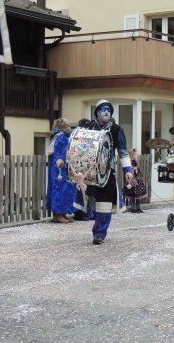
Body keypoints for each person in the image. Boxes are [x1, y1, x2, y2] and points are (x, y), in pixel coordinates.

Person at [84, 99, 134, 244]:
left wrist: (128, 169)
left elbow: (123, 151)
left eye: (109, 110)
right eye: (103, 109)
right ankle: (96, 225)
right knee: (91, 201)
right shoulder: (89, 127)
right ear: (97, 112)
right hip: (89, 171)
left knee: (104, 204)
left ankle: (99, 233)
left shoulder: (116, 129)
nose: (106, 112)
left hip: (108, 172)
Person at [48, 117, 77, 223]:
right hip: (59, 167)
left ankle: (62, 213)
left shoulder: (58, 136)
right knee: (60, 190)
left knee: (63, 189)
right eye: (67, 125)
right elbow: (63, 151)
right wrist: (62, 159)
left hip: (59, 166)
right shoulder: (61, 137)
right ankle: (58, 214)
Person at [123, 148, 147, 212]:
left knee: (138, 194)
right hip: (131, 180)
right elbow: (128, 172)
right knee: (132, 194)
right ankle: (133, 208)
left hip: (138, 180)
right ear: (132, 155)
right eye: (135, 155)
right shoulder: (128, 163)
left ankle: (138, 207)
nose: (136, 156)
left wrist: (140, 176)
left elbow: (138, 171)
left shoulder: (135, 162)